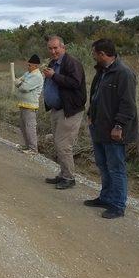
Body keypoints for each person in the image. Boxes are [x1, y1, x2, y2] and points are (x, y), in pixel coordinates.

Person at [84, 39, 138, 219]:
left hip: (114, 131)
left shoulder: (124, 74)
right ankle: (106, 197)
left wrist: (118, 125)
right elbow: (96, 96)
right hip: (99, 128)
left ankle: (118, 205)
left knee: (116, 168)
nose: (93, 56)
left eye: (94, 53)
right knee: (103, 165)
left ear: (102, 54)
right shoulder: (102, 72)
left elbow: (128, 104)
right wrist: (91, 113)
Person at [42, 35, 87, 190]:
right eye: (50, 48)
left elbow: (75, 83)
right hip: (57, 109)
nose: (53, 51)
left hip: (69, 111)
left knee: (64, 145)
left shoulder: (72, 63)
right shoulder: (53, 63)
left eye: (56, 48)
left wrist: (54, 76)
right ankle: (63, 174)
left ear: (63, 47)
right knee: (58, 143)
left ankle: (69, 178)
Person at [15, 54, 44, 153]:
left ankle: (33, 148)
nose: (28, 67)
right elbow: (17, 81)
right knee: (23, 126)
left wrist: (20, 83)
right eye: (28, 65)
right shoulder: (28, 73)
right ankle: (27, 145)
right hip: (23, 104)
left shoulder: (37, 76)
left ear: (36, 66)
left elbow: (24, 87)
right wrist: (20, 83)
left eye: (30, 65)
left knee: (30, 127)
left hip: (30, 106)